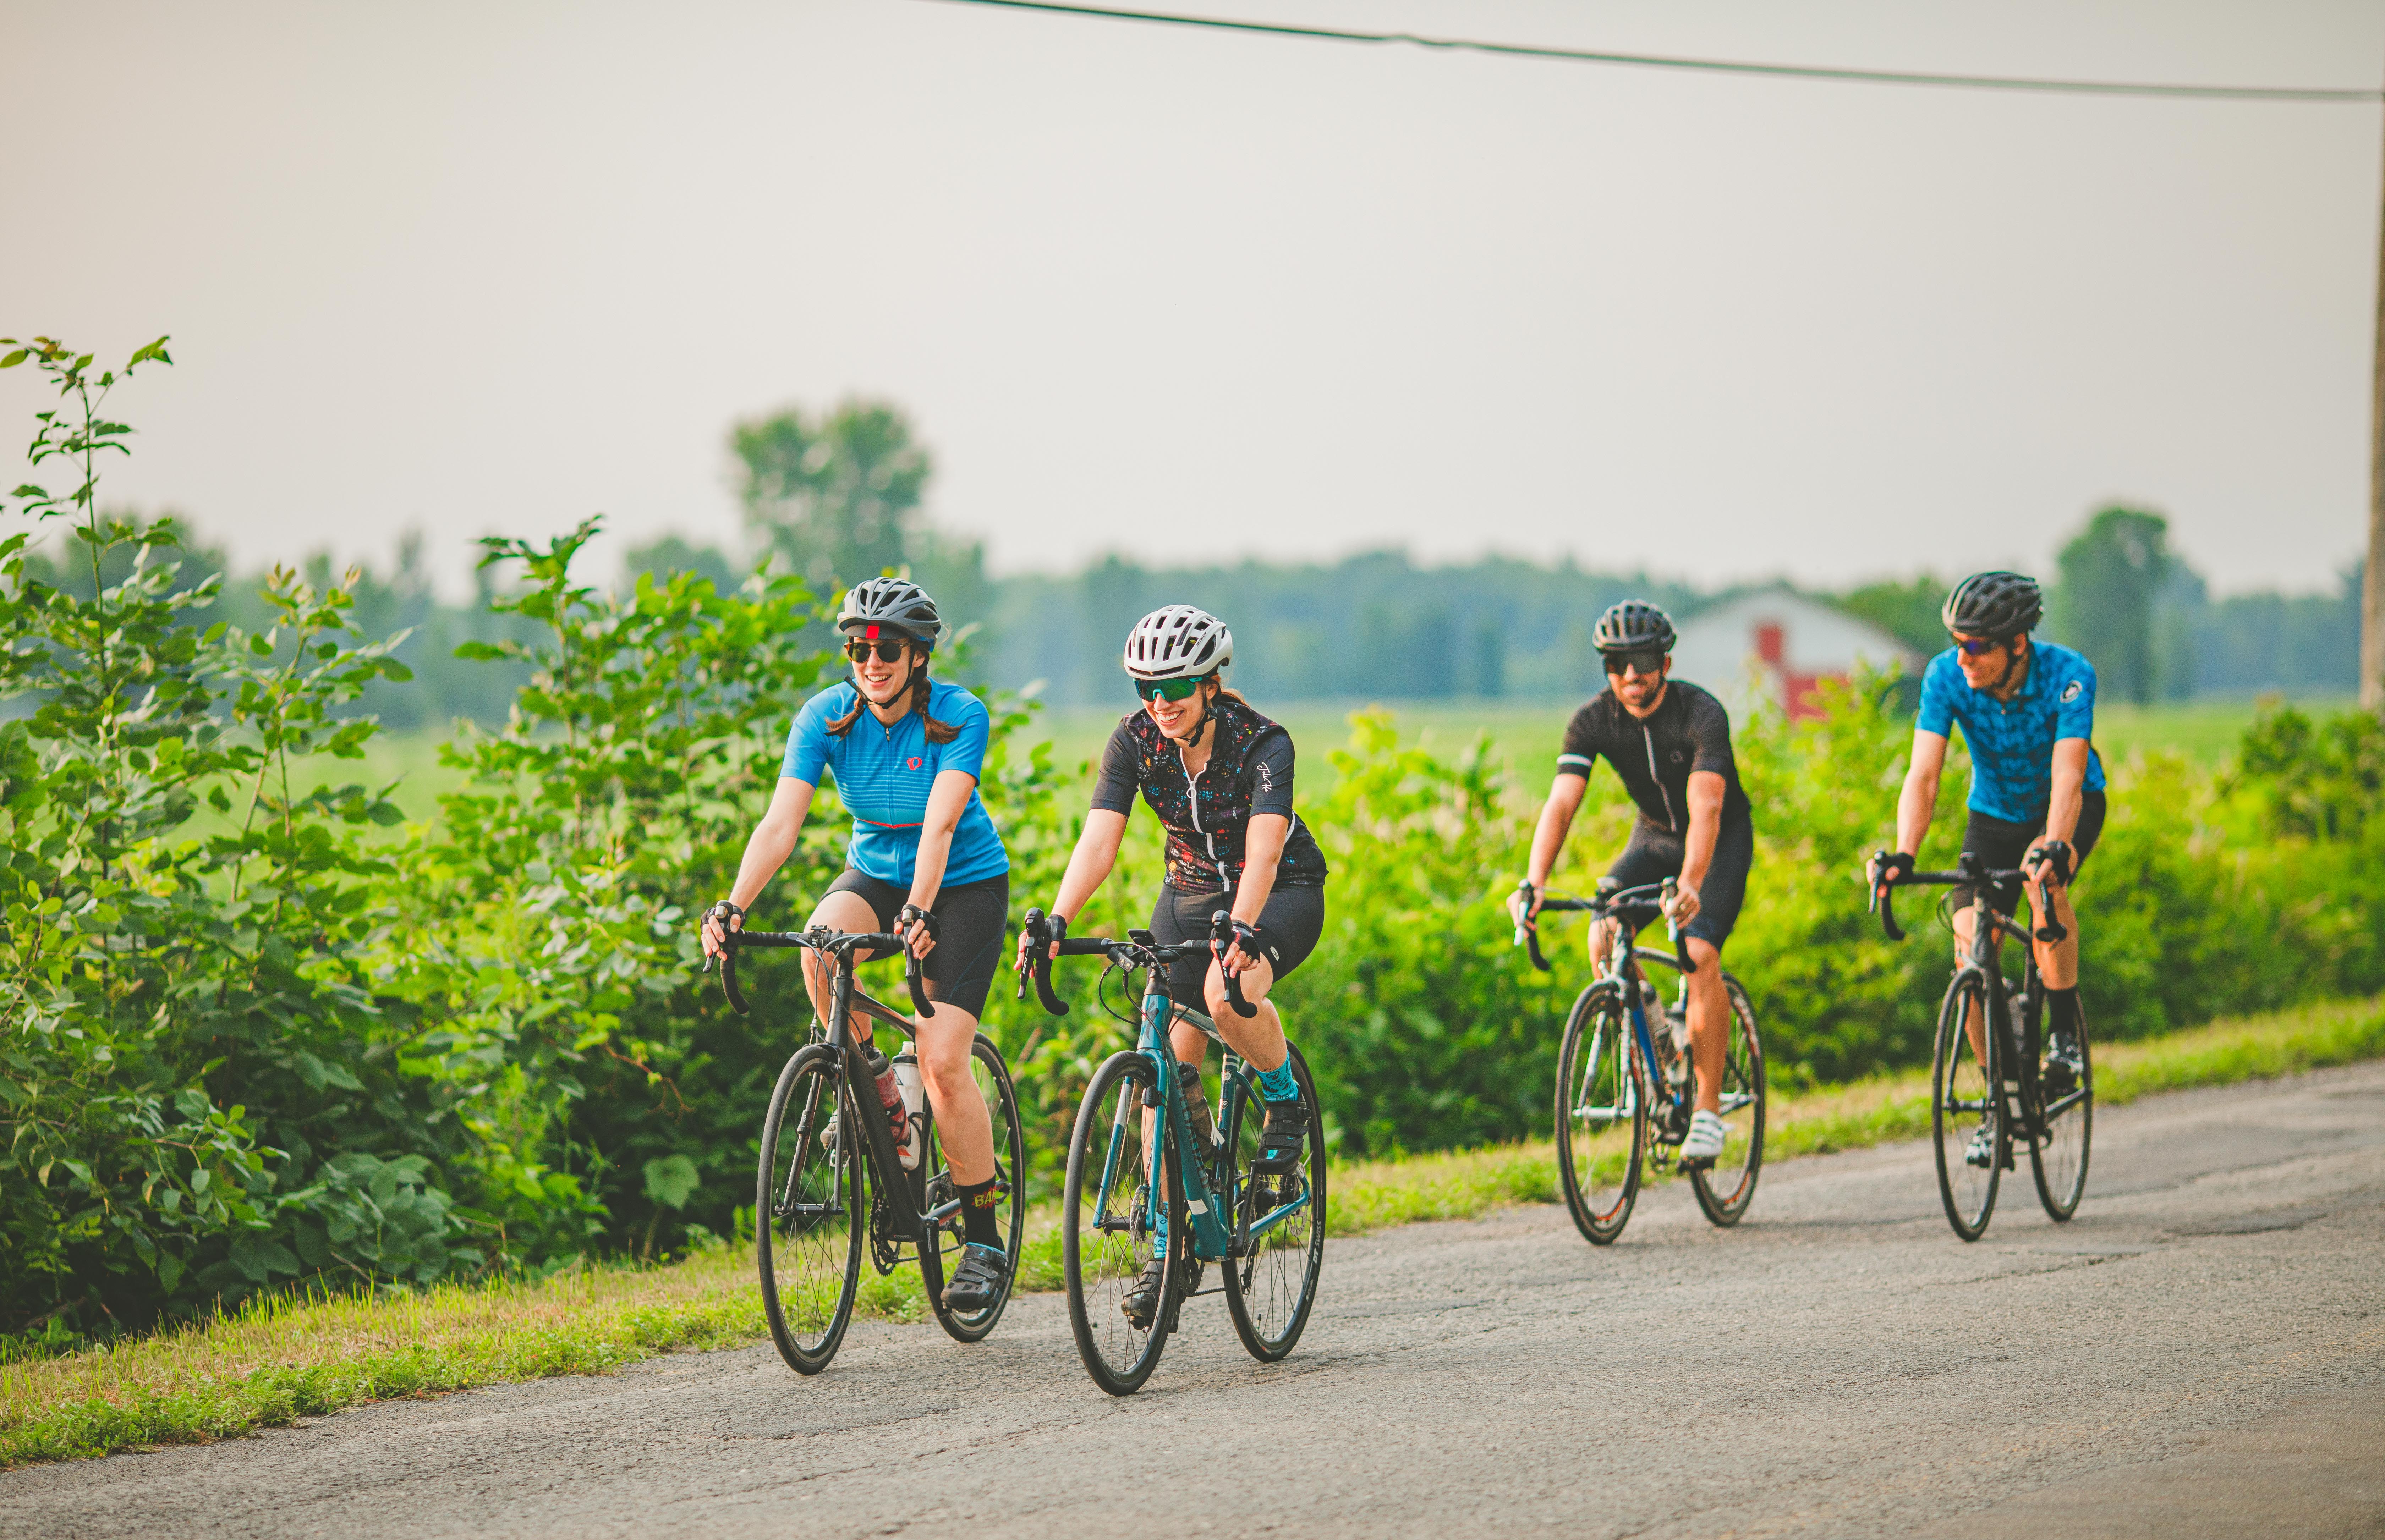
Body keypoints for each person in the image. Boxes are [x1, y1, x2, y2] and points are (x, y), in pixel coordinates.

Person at [700, 576, 1014, 1312]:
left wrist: (921, 908)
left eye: (888, 649)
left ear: (918, 655)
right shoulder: (826, 717)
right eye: (859, 649)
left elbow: (941, 824)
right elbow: (780, 824)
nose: (871, 661)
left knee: (942, 1062)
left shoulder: (958, 715)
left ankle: (984, 1240)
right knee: (819, 949)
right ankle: (880, 1092)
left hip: (962, 885)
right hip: (875, 873)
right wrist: (733, 905)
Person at [1019, 604, 1329, 1328]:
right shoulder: (1134, 741)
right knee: (1161, 1079)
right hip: (1187, 898)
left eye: (1176, 688)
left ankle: (1283, 1098)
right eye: (1146, 689)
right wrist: (1058, 920)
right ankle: (1170, 1247)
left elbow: (1265, 851)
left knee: (1226, 995)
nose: (1160, 703)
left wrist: (1243, 929)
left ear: (1211, 684)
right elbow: (1099, 842)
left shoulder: (1263, 743)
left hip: (1278, 892)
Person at [1506, 599, 1754, 1165]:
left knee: (1698, 952)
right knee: (1603, 933)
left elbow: (1707, 806)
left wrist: (1691, 883)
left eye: (1641, 661)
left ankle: (1708, 1114)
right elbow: (1561, 804)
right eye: (1615, 664)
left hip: (1718, 843)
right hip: (1656, 840)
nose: (1629, 676)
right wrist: (1534, 882)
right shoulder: (1593, 720)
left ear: (1665, 662)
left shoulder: (1700, 713)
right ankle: (1661, 1040)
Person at [1870, 571, 2103, 1168]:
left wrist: (2055, 846)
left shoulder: (2068, 675)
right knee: (1970, 947)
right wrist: (1904, 854)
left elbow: (2069, 775)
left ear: (2018, 643)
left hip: (2066, 805)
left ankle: (2063, 1038)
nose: (1963, 657)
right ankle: (1999, 1099)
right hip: (1994, 813)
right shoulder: (1946, 676)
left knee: (2044, 884)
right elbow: (1924, 774)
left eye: (1976, 645)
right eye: (1957, 643)